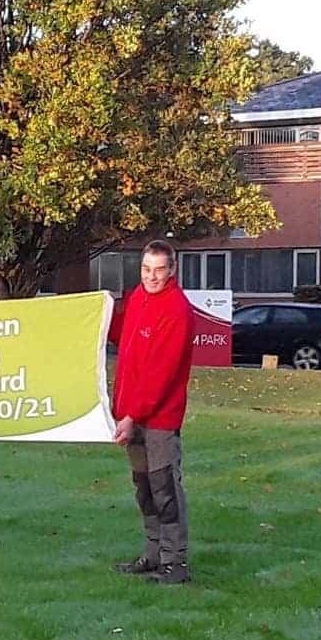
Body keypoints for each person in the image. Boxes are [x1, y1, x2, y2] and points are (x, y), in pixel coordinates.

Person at [110, 239, 194, 585]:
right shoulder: (137, 299)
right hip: (132, 415)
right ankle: (154, 554)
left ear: (171, 270)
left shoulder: (176, 310)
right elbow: (118, 334)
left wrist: (132, 416)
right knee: (143, 489)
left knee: (165, 490)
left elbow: (162, 374)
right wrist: (97, 313)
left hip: (159, 418)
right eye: (147, 269)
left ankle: (176, 564)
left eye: (159, 270)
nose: (152, 276)